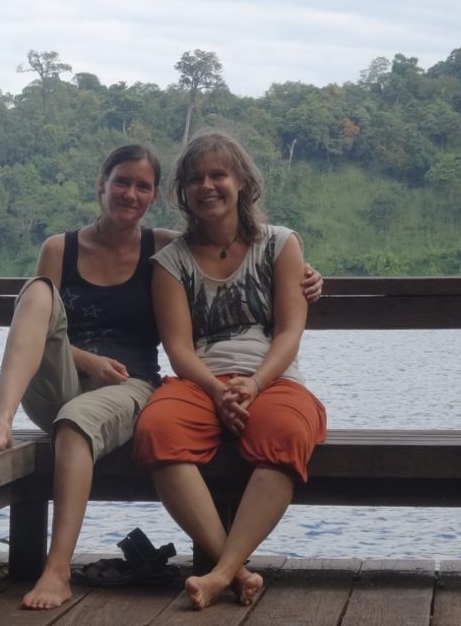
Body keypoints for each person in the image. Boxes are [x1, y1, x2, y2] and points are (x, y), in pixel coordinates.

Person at [0, 143, 322, 610]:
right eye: (121, 182)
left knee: (281, 431)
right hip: (106, 376)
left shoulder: (183, 246)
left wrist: (306, 276)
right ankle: (1, 422)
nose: (130, 194)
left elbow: (268, 295)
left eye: (142, 186)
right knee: (40, 298)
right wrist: (89, 362)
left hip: (168, 383)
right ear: (101, 184)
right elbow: (53, 333)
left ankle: (209, 572)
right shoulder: (88, 249)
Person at [132, 130, 328, 611]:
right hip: (199, 381)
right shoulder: (170, 262)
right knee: (157, 429)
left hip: (273, 378)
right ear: (184, 192)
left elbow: (288, 332)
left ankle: (218, 574)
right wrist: (217, 392)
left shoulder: (280, 244)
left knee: (285, 433)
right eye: (195, 178)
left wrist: (255, 384)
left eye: (218, 174)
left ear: (241, 181)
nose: (207, 186)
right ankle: (236, 571)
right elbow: (178, 349)